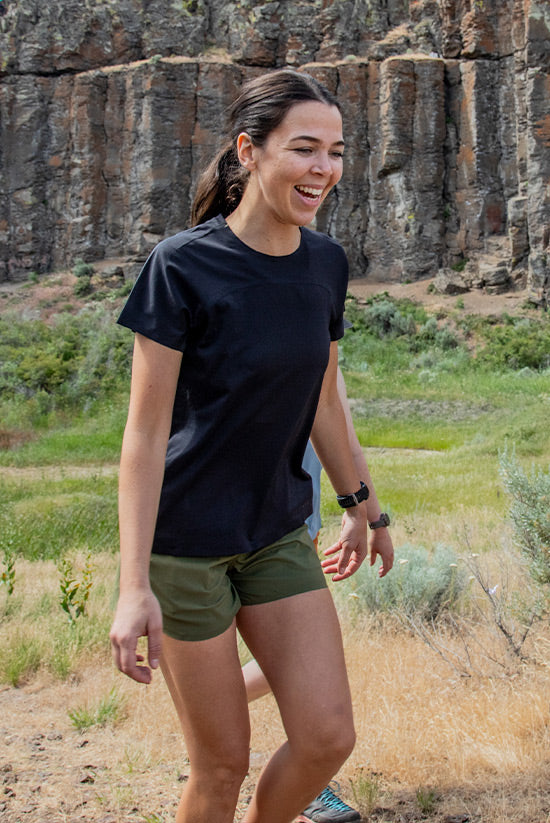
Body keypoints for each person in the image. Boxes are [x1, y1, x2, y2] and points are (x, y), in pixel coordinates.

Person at [110, 68, 393, 823]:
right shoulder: (182, 265)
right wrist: (132, 582)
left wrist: (363, 503)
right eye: (305, 149)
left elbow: (325, 398)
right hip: (186, 544)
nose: (323, 169)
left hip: (275, 532)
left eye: (335, 151)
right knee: (221, 764)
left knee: (327, 734)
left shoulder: (325, 265)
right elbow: (142, 436)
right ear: (250, 152)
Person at [243, 368, 393, 823]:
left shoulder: (320, 337)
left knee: (299, 665)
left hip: (292, 528)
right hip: (213, 527)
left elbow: (345, 439)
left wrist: (374, 518)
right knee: (293, 666)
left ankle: (309, 783)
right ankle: (209, 710)